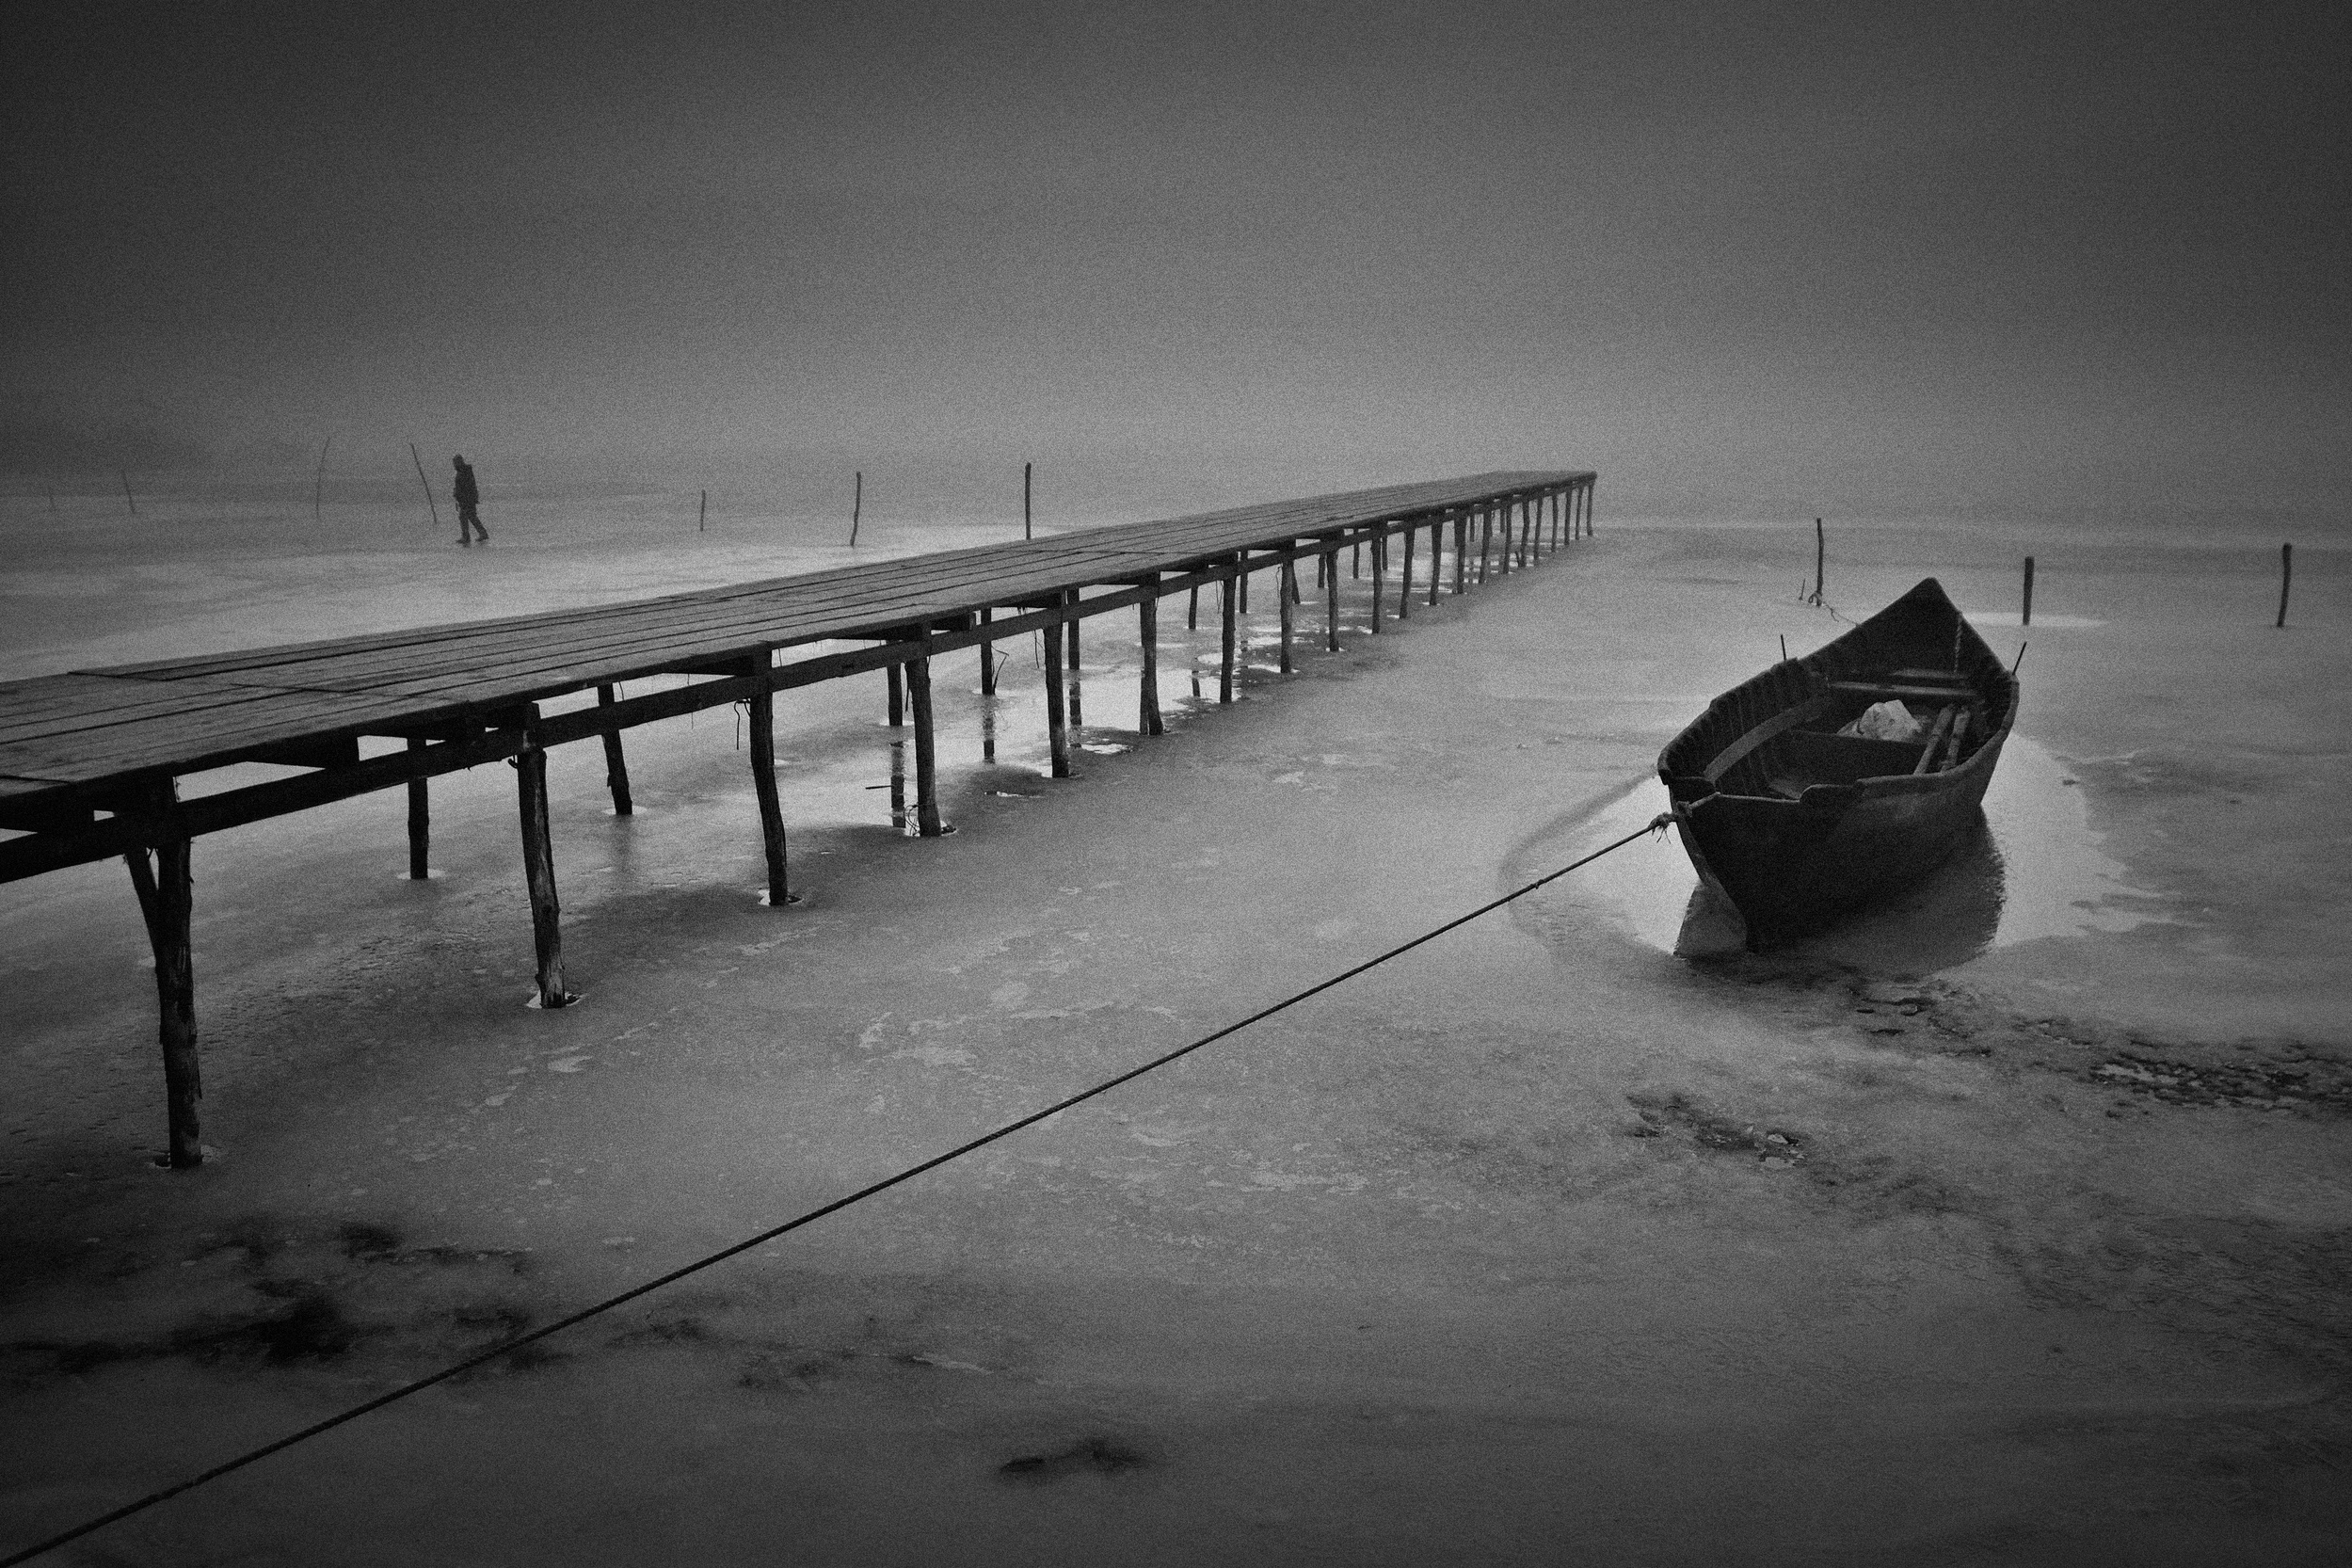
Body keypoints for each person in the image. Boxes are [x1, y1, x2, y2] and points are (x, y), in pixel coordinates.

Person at [452, 455, 488, 545]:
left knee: (470, 516)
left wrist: (459, 494)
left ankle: (478, 534)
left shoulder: (464, 472)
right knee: (465, 516)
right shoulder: (463, 471)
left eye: (455, 462)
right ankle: (469, 536)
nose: (454, 464)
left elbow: (467, 486)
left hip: (467, 499)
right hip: (465, 498)